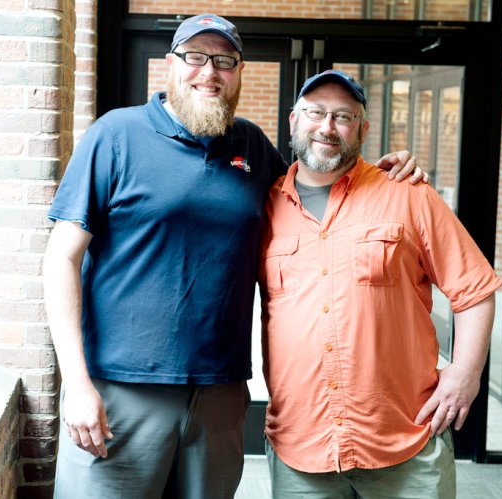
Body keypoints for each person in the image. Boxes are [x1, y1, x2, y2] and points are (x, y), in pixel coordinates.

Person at [44, 14, 423, 499]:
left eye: (224, 61)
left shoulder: (251, 146)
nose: (209, 72)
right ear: (170, 65)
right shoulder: (115, 135)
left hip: (220, 396)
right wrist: (76, 383)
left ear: (239, 72)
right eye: (195, 57)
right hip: (120, 391)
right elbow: (61, 260)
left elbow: (319, 199)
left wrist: (385, 174)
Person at [258, 69, 502, 498]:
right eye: (316, 113)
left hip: (404, 438)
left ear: (363, 129)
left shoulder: (408, 194)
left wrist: (466, 372)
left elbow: (475, 290)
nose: (327, 127)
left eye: (343, 116)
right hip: (302, 444)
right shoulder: (263, 205)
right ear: (294, 120)